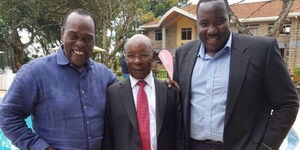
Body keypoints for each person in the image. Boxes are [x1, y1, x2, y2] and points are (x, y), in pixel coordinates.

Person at [173, 0, 299, 150]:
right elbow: (178, 102)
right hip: (192, 145)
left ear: (230, 19)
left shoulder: (261, 51)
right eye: (204, 24)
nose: (211, 30)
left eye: (219, 22)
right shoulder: (183, 54)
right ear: (197, 24)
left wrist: (266, 146)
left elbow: (287, 104)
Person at [0, 9, 117, 150]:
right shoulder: (34, 73)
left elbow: (127, 104)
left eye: (87, 38)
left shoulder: (105, 76)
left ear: (94, 40)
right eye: (73, 36)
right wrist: (40, 147)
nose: (80, 44)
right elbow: (7, 116)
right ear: (62, 34)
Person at [102, 34, 184, 150]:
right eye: (131, 56)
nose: (137, 61)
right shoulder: (112, 94)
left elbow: (179, 136)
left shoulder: (170, 92)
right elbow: (108, 138)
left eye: (144, 55)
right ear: (125, 58)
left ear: (153, 56)